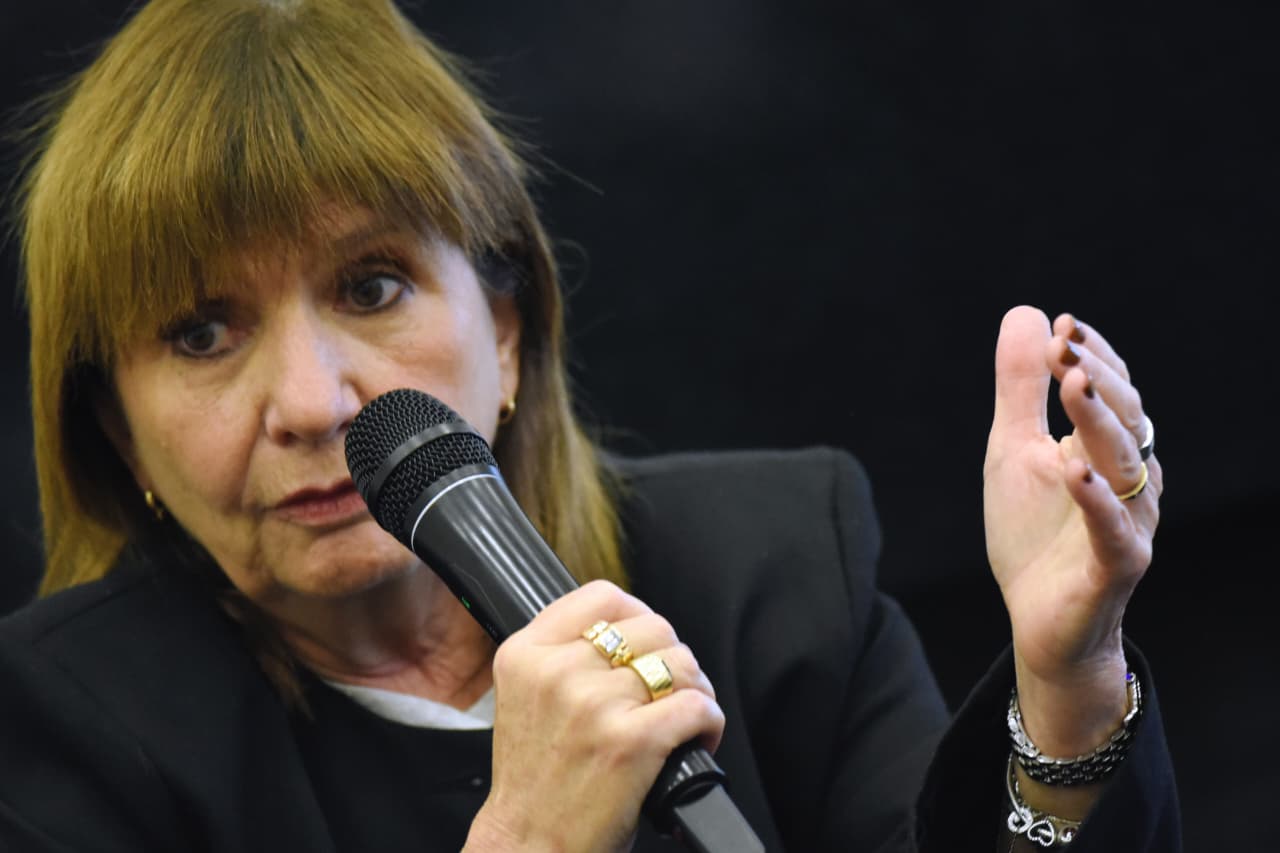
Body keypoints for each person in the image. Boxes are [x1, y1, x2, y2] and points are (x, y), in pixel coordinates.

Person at [0, 0, 1178, 850]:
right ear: (114, 424)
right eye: (202, 332)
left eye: (370, 286)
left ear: (506, 329)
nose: (312, 402)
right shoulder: (58, 730)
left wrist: (1065, 682)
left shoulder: (771, 567)